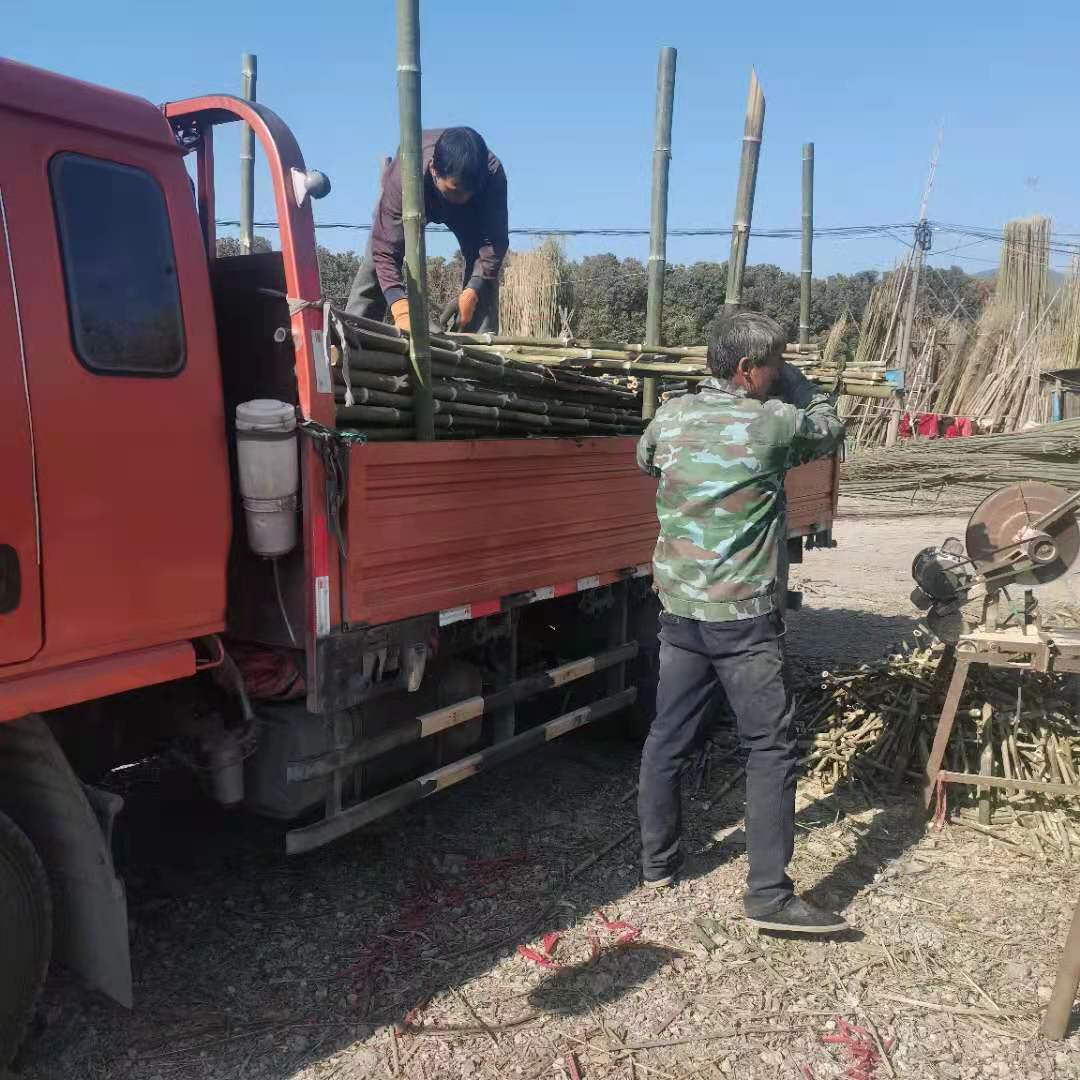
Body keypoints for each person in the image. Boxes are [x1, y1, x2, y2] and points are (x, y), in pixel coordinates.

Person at [636, 309, 848, 933]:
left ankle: (657, 863)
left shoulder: (670, 416)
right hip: (743, 622)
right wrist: (804, 385)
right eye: (774, 365)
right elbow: (831, 429)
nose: (778, 374)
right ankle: (768, 898)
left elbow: (646, 461)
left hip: (679, 612)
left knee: (667, 736)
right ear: (749, 371)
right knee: (769, 749)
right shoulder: (772, 423)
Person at [345, 127, 508, 334]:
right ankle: (353, 338)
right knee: (375, 263)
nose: (462, 199)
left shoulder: (492, 174)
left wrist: (473, 288)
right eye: (455, 190)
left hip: (473, 215)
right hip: (414, 191)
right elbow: (385, 250)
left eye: (469, 193)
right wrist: (400, 307)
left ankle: (479, 353)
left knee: (486, 278)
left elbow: (494, 243)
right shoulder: (404, 175)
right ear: (433, 169)